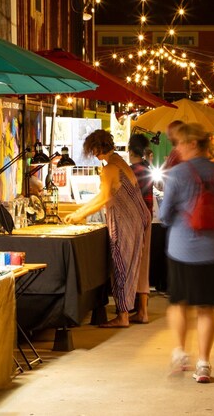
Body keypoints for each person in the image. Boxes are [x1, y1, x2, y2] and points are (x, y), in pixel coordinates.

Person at [158, 122, 214, 384]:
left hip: (182, 248)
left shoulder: (178, 174)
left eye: (180, 143)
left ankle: (181, 353)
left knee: (178, 304)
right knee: (206, 308)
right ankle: (203, 363)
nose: (177, 148)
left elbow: (165, 215)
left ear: (193, 144)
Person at [64, 130, 151, 328]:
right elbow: (104, 195)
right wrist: (80, 211)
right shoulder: (119, 162)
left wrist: (79, 215)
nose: (93, 154)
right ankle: (135, 313)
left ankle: (123, 316)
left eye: (92, 150)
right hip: (137, 218)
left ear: (96, 148)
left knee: (121, 265)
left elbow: (103, 198)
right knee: (132, 266)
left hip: (125, 221)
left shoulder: (110, 168)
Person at [127, 133, 155, 323]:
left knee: (134, 264)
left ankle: (137, 310)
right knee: (143, 263)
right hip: (147, 216)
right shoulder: (147, 167)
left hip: (135, 219)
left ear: (130, 151)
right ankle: (141, 309)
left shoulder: (132, 171)